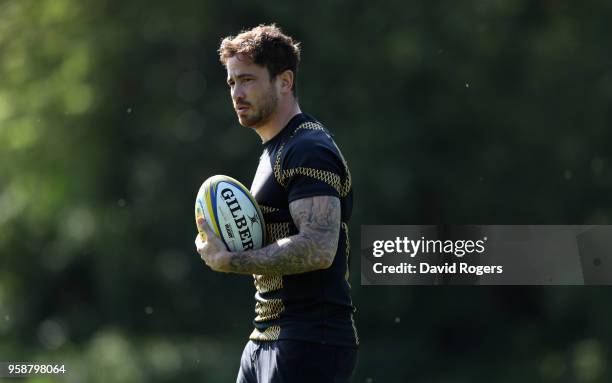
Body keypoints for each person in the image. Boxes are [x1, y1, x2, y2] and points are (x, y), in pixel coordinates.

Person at [195, 24, 358, 383]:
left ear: (284, 81)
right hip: (266, 335)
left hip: (309, 339)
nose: (237, 92)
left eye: (248, 79)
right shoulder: (275, 150)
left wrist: (230, 260)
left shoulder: (308, 148)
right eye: (232, 82)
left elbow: (319, 247)